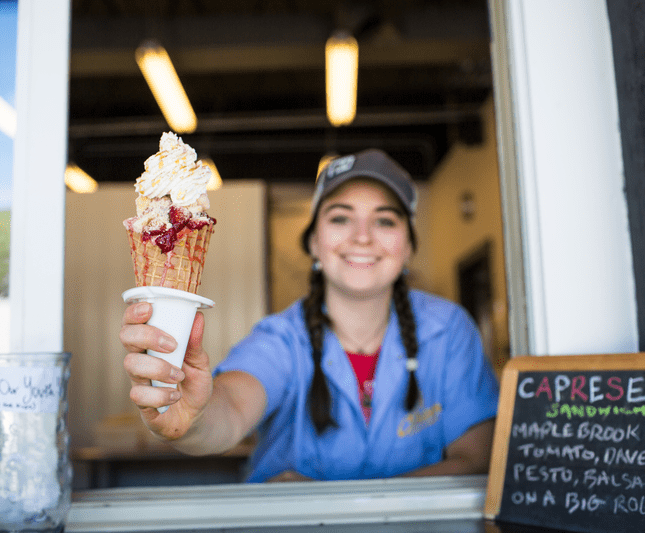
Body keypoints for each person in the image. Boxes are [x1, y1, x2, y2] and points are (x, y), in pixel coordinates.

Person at [120, 148, 500, 482]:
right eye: (340, 218)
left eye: (385, 220)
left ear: (409, 246)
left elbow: (476, 459)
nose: (363, 236)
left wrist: (345, 504)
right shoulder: (281, 338)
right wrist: (190, 418)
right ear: (315, 243)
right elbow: (231, 409)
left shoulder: (450, 330)